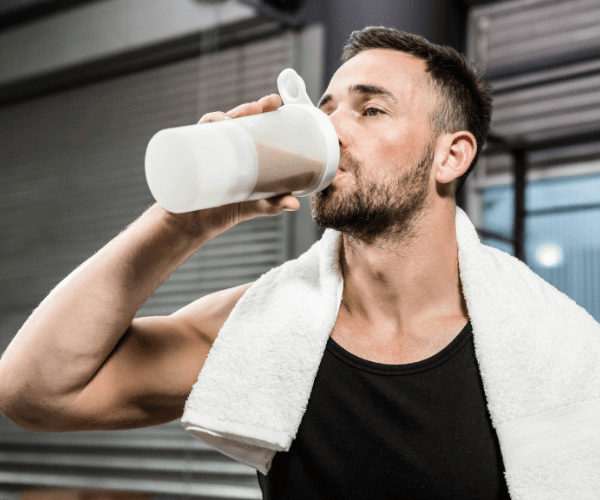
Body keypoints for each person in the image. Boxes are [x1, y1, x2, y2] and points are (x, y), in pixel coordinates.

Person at [0, 26, 507, 498]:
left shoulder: (538, 345)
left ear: (451, 157)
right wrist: (183, 222)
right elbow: (36, 394)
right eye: (326, 112)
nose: (332, 133)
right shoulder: (265, 326)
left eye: (371, 110)